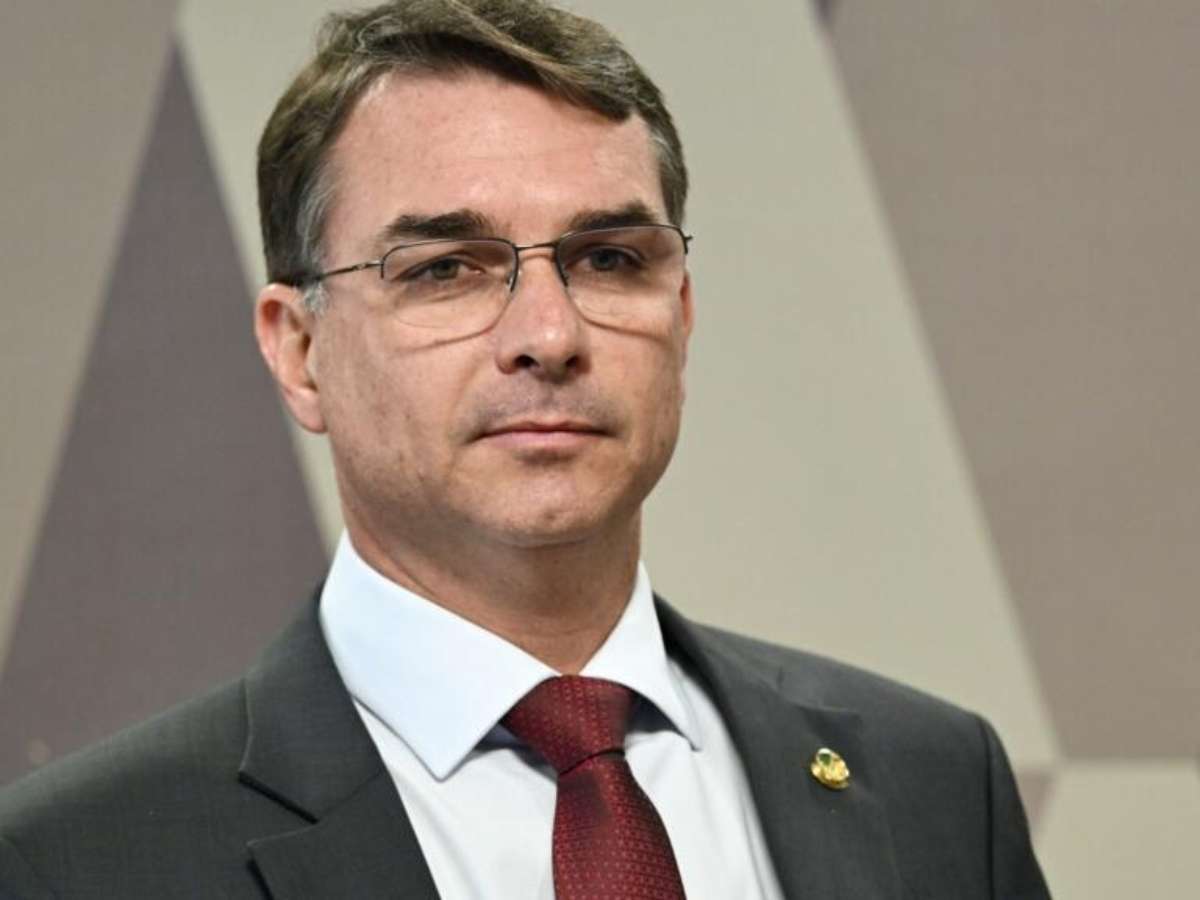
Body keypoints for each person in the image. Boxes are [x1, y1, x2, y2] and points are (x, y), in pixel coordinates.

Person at [0, 1, 1050, 897]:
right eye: (446, 269)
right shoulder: (73, 863)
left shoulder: (936, 785)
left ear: (682, 317)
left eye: (609, 258)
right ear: (301, 351)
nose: (550, 335)